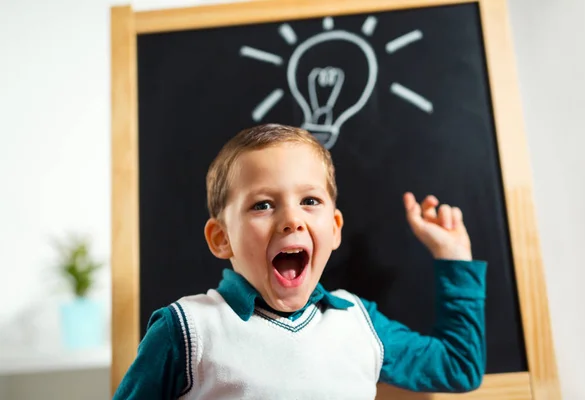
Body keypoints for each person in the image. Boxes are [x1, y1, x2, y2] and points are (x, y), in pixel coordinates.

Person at [113, 123, 487, 399]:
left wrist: (453, 256)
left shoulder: (358, 323)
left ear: (335, 228)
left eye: (310, 201)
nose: (292, 219)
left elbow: (459, 367)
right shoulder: (188, 330)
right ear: (221, 237)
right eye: (262, 205)